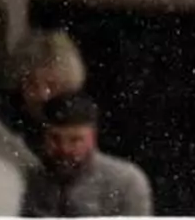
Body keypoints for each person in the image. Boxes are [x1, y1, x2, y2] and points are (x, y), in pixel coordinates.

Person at [20, 92, 152, 217]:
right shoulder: (32, 178)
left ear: (93, 138)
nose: (65, 149)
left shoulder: (126, 182)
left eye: (75, 140)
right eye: (55, 139)